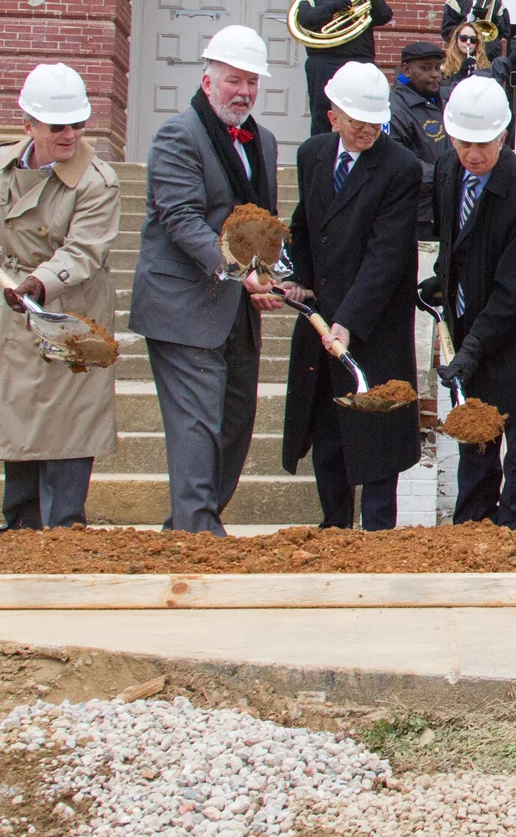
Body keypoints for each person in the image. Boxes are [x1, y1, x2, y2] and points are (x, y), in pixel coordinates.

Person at [132, 26, 283, 536]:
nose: (243, 92)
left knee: (236, 425)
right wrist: (241, 274)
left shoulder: (263, 140)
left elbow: (261, 223)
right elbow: (180, 218)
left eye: (251, 83)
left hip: (236, 308)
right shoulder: (177, 135)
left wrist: (268, 276)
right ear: (207, 80)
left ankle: (188, 528)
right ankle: (199, 532)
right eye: (233, 80)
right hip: (183, 306)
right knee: (197, 425)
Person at [280, 62, 420, 530]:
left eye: (374, 120)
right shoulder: (312, 155)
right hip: (322, 316)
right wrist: (299, 277)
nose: (366, 128)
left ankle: (378, 531)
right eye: (356, 118)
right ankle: (334, 525)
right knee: (329, 427)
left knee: (377, 428)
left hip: (372, 323)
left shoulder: (399, 168)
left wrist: (350, 320)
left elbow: (387, 256)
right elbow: (304, 226)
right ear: (332, 113)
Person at [426, 78, 516, 526]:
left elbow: (513, 295)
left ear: (504, 136)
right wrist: (443, 283)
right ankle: (470, 535)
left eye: (485, 143)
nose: (474, 154)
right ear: (450, 136)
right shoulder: (449, 170)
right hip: (474, 339)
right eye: (464, 142)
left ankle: (514, 543)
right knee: (475, 450)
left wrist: (470, 350)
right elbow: (456, 242)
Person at [0, 65, 119, 529]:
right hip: (14, 314)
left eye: (77, 123)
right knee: (19, 420)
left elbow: (84, 249)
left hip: (71, 313)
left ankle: (65, 533)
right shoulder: (7, 166)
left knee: (70, 425)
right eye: (57, 126)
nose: (70, 134)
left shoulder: (97, 180)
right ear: (27, 124)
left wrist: (38, 283)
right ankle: (19, 529)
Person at [295, 0, 394, 134]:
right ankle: (321, 155)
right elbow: (304, 18)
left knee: (365, 110)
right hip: (324, 60)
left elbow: (385, 16)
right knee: (322, 112)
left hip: (360, 59)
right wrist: (333, 8)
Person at [387, 41, 447, 242]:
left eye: (437, 68)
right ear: (406, 69)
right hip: (416, 216)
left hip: (440, 211)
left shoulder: (441, 100)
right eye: (425, 68)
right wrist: (445, 175)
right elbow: (397, 162)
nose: (435, 74)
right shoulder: (395, 109)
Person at [441, 0, 509, 63]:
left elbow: (505, 32)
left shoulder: (496, 1)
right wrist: (470, 23)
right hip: (462, 55)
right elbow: (446, 30)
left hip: (488, 55)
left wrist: (491, 20)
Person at [440, 22, 487, 103]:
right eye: (463, 38)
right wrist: (459, 75)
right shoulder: (444, 64)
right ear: (456, 39)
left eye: (473, 40)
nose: (468, 42)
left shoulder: (484, 64)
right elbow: (442, 89)